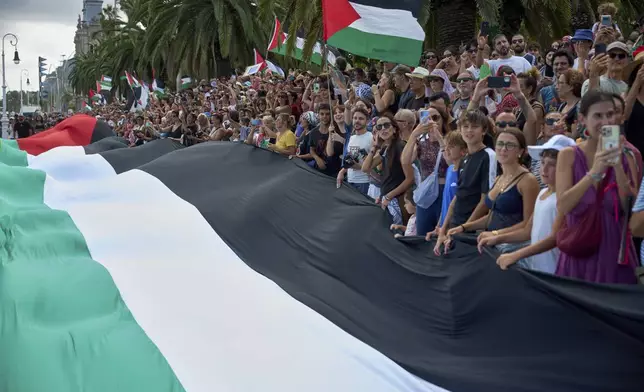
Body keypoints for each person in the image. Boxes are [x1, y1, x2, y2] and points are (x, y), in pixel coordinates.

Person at [555, 91, 639, 284]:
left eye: (610, 114)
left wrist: (617, 166)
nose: (605, 121)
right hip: (580, 255)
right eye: (598, 116)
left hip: (616, 257)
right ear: (583, 119)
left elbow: (631, 209)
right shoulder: (568, 155)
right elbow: (563, 206)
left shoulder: (629, 155)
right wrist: (594, 171)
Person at [480, 135, 576, 272]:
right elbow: (527, 231)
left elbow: (554, 238)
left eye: (553, 165)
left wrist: (516, 255)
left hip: (556, 270)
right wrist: (496, 237)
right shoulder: (542, 194)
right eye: (543, 162)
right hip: (537, 267)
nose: (544, 169)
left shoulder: (565, 199)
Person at [447, 128, 540, 254]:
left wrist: (495, 234)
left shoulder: (528, 181)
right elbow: (491, 218)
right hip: (490, 244)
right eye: (500, 144)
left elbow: (527, 224)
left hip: (512, 248)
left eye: (510, 145)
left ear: (521, 151)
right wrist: (464, 227)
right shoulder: (498, 179)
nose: (503, 149)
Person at [433, 110, 497, 255]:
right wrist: (443, 229)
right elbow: (458, 197)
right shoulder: (466, 159)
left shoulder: (489, 156)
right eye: (465, 126)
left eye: (474, 126)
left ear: (484, 130)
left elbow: (486, 200)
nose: (469, 130)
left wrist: (465, 228)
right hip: (456, 228)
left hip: (472, 232)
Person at [362, 114, 414, 224]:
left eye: (386, 125)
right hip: (388, 199)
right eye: (379, 127)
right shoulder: (386, 148)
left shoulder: (400, 147)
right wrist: (375, 147)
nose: (383, 129)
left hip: (398, 201)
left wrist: (388, 196)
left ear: (394, 129)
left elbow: (410, 179)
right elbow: (365, 168)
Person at [336, 107, 373, 195]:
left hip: (364, 182)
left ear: (367, 121)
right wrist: (341, 172)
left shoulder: (371, 137)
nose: (357, 121)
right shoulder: (352, 138)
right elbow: (350, 159)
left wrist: (359, 166)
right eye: (355, 118)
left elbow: (374, 165)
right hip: (350, 180)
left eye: (361, 119)